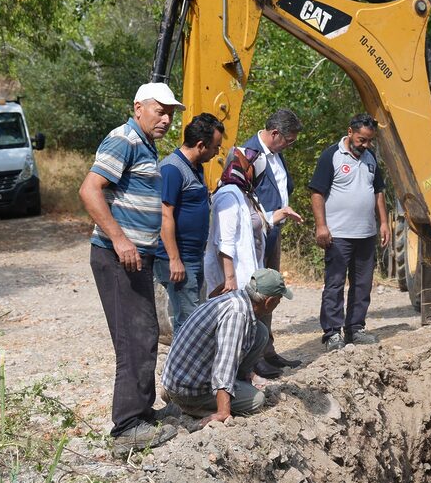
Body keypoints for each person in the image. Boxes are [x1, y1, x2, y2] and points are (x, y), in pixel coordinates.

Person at [79, 82, 184, 456]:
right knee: (133, 337)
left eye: (171, 112)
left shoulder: (146, 144)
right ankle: (126, 427)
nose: (167, 118)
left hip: (136, 257)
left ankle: (141, 413)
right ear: (138, 107)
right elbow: (90, 190)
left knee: (146, 332)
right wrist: (121, 240)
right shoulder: (123, 139)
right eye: (160, 110)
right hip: (115, 255)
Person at [161, 268, 293, 425]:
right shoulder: (237, 315)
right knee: (257, 400)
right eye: (278, 300)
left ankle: (234, 386)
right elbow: (225, 365)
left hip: (179, 380)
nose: (278, 304)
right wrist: (224, 412)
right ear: (269, 301)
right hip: (186, 390)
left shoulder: (237, 299)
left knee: (260, 332)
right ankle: (188, 406)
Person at [309, 113, 389, 350]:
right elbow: (316, 193)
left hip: (366, 234)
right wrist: (321, 226)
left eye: (369, 141)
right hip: (339, 234)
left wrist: (383, 222)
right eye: (362, 140)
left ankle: (355, 328)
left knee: (362, 284)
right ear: (350, 132)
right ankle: (332, 333)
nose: (365, 145)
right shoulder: (331, 156)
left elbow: (378, 191)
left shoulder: (370, 157)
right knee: (334, 283)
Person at [243, 108, 304, 375]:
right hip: (255, 237)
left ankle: (267, 351)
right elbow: (240, 201)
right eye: (288, 141)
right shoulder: (249, 155)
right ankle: (253, 358)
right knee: (255, 295)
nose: (290, 146)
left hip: (272, 235)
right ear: (275, 133)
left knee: (271, 293)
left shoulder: (276, 155)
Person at [154, 113, 225, 340]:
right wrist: (174, 259)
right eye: (215, 147)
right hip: (179, 259)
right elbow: (165, 216)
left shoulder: (197, 167)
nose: (217, 153)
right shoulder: (171, 169)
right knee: (188, 324)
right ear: (201, 145)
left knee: (194, 319)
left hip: (195, 257)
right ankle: (182, 374)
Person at [203, 146, 302, 299]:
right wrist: (230, 280)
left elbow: (253, 224)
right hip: (232, 279)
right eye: (255, 171)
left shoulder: (246, 194)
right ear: (245, 169)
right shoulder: (228, 195)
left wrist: (282, 213)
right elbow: (224, 240)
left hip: (246, 274)